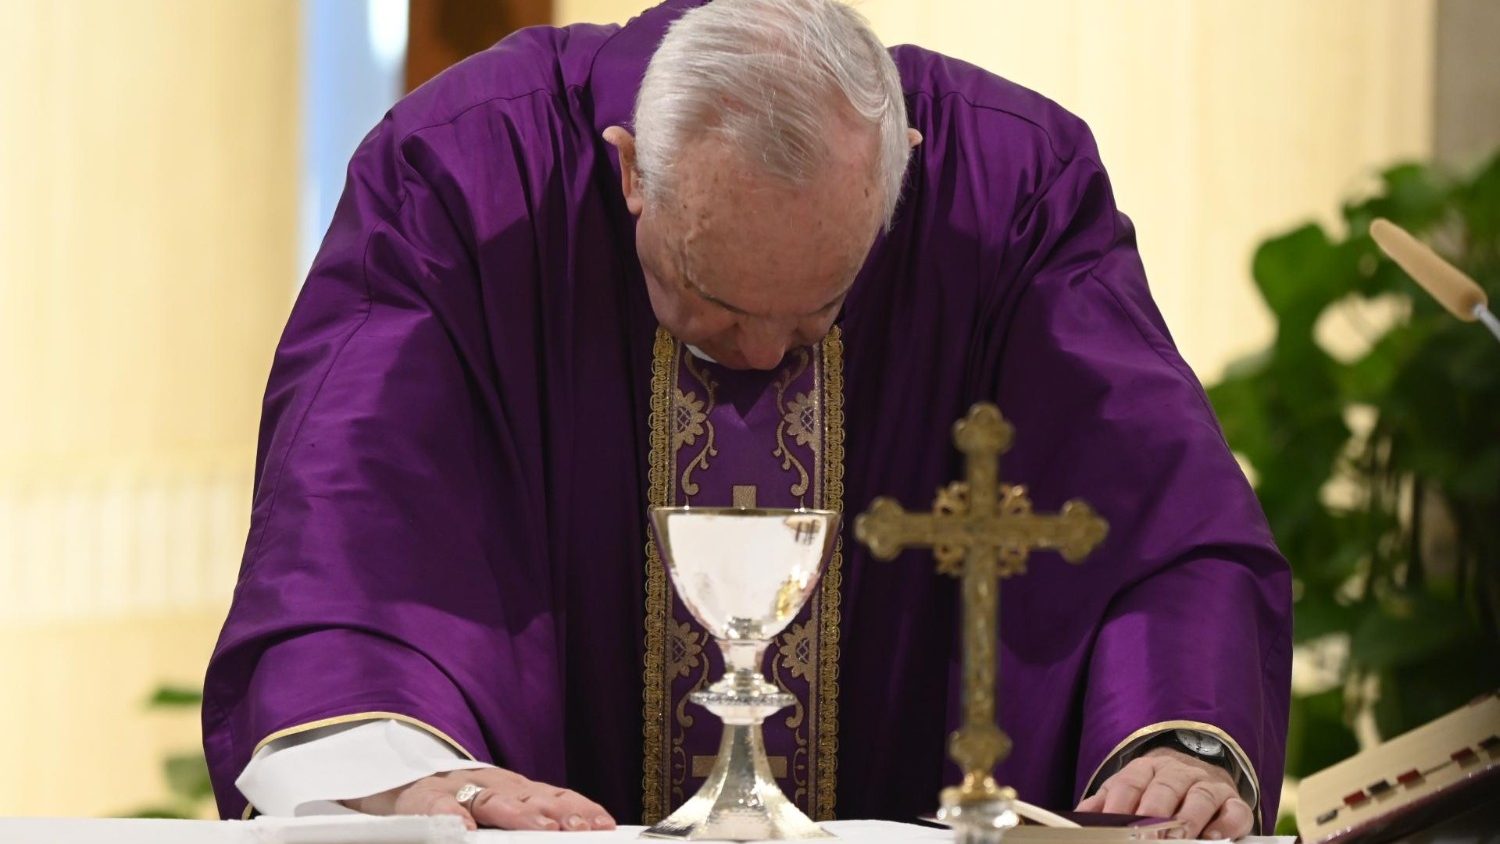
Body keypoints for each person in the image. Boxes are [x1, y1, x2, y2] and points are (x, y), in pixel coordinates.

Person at [203, 0, 1292, 838]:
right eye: (714, 303)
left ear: (895, 183)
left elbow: (1162, 520)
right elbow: (347, 528)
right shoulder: (467, 178)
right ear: (631, 171)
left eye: (820, 311)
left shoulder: (1006, 193)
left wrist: (1178, 741)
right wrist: (405, 779)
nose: (762, 359)